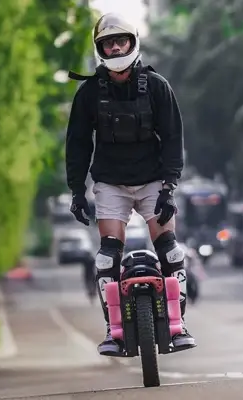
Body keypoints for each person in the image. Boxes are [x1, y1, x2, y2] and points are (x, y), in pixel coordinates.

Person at [65, 13, 196, 356]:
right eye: (108, 43)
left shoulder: (156, 86)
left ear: (133, 42)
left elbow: (173, 138)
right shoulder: (89, 93)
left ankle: (177, 324)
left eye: (120, 40)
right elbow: (78, 143)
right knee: (106, 259)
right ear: (100, 49)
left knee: (171, 251)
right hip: (111, 182)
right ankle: (115, 330)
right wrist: (76, 190)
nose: (115, 48)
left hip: (153, 179)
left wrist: (169, 187)